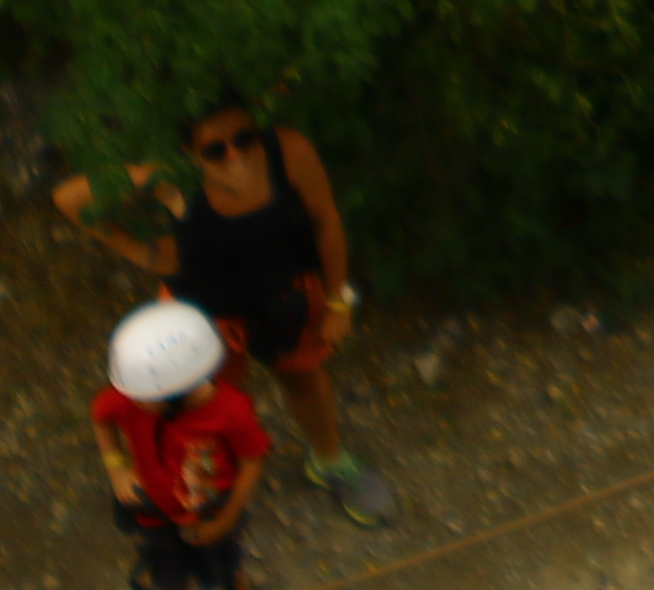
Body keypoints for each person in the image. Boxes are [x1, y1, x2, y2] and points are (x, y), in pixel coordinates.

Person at [51, 91, 397, 526]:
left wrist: (337, 300)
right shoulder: (172, 181)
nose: (235, 153)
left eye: (244, 138)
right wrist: (138, 251)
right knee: (207, 407)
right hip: (204, 317)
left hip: (282, 299)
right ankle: (211, 490)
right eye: (215, 149)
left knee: (305, 380)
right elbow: (69, 197)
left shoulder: (287, 153)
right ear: (190, 153)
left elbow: (325, 219)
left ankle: (330, 462)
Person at [94, 298, 297, 590]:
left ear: (177, 389)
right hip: (156, 510)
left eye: (139, 394)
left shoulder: (231, 411)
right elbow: (100, 415)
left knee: (229, 561)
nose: (129, 398)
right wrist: (117, 466)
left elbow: (252, 460)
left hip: (213, 508)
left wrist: (225, 518)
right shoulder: (132, 395)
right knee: (165, 568)